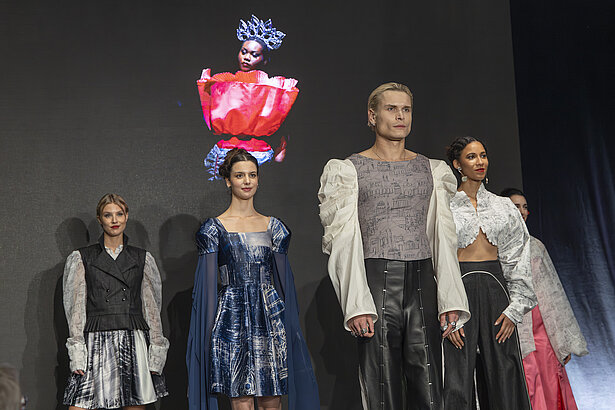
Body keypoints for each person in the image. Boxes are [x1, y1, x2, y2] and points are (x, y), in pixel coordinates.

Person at [318, 82, 470, 410]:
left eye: (406, 110)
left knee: (429, 387)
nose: (400, 116)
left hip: (422, 284)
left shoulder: (432, 169)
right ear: (372, 116)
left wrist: (450, 298)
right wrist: (356, 304)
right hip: (375, 282)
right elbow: (343, 240)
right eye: (391, 109)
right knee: (382, 388)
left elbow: (443, 237)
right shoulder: (348, 170)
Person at [186, 148, 319, 410]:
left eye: (252, 175)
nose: (247, 181)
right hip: (231, 320)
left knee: (272, 402)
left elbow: (284, 285)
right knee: (241, 403)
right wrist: (207, 338)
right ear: (228, 180)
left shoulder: (274, 228)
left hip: (268, 317)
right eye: (239, 175)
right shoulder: (213, 229)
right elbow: (207, 289)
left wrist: (289, 325)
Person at [443, 137, 536, 410]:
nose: (479, 162)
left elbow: (518, 257)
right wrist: (446, 309)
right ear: (457, 164)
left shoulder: (503, 206)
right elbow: (437, 260)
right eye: (471, 157)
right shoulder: (445, 207)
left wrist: (515, 309)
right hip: (459, 292)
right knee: (457, 376)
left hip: (496, 292)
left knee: (504, 372)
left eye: (483, 155)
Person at [62, 194, 169, 410]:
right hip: (96, 340)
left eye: (119, 214)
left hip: (132, 337)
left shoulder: (142, 258)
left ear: (126, 216)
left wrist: (156, 351)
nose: (114, 220)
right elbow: (75, 310)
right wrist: (77, 352)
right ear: (99, 219)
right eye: (108, 215)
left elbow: (152, 308)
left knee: (134, 403)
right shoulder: (82, 258)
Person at [501, 188, 588, 410]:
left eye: (525, 207)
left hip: (541, 325)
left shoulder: (536, 245)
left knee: (549, 379)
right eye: (516, 206)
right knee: (526, 381)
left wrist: (563, 340)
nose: (522, 211)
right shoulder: (494, 247)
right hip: (514, 323)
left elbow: (553, 293)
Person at [198, 15, 296, 178]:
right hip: (225, 149)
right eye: (243, 52)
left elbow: (285, 125)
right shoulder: (223, 83)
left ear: (265, 60)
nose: (247, 57)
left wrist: (282, 149)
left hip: (258, 152)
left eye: (254, 54)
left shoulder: (274, 88)